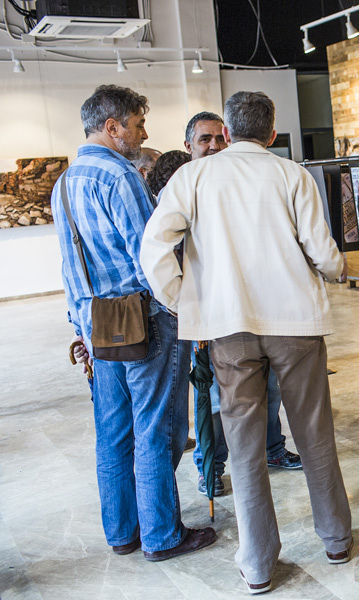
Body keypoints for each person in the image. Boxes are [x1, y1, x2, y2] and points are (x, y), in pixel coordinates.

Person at [141, 91, 353, 593]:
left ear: (229, 134)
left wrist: (184, 300)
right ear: (273, 134)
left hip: (228, 326)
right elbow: (322, 251)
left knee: (243, 445)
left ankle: (258, 563)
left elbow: (154, 247)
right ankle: (336, 538)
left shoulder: (192, 177)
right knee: (314, 433)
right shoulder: (291, 174)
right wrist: (338, 270)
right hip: (295, 322)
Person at [50, 84, 215, 561]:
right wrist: (183, 311)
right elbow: (152, 256)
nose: (144, 134)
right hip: (145, 319)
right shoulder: (118, 176)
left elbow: (68, 266)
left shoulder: (64, 183)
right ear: (112, 127)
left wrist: (80, 325)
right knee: (155, 429)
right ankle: (163, 534)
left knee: (113, 432)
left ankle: (123, 532)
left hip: (97, 324)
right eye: (138, 125)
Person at [182, 112, 304, 498]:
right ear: (189, 147)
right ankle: (212, 467)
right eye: (205, 140)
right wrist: (187, 310)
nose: (214, 145)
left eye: (220, 137)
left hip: (262, 310)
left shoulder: (243, 182)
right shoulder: (187, 188)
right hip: (215, 317)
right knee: (216, 402)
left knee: (270, 390)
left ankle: (272, 449)